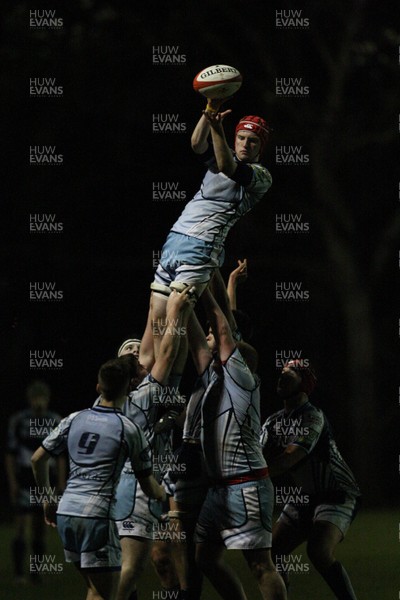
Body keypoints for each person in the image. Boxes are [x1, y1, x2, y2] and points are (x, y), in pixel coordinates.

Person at [31, 359, 166, 600]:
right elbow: (148, 485)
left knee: (95, 589)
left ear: (98, 388)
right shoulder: (129, 429)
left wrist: (47, 499)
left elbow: (38, 459)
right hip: (96, 518)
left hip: (67, 513)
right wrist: (164, 496)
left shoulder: (74, 419)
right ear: (128, 388)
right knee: (104, 594)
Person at [150, 98, 272, 358]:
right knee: (156, 321)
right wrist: (209, 111)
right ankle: (149, 380)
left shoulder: (261, 176)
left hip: (201, 246)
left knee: (177, 316)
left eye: (253, 141)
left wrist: (217, 127)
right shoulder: (222, 154)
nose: (245, 144)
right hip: (175, 240)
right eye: (241, 138)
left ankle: (164, 383)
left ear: (262, 147)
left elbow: (229, 167)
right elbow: (197, 144)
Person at [189, 286, 287, 600]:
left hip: (245, 485)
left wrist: (203, 288)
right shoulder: (215, 377)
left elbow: (221, 327)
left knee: (259, 565)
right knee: (204, 557)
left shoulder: (242, 380)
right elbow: (196, 340)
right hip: (219, 488)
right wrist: (182, 302)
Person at [114, 288, 193, 600]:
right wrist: (173, 307)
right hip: (131, 488)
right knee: (131, 563)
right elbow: (165, 351)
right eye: (128, 351)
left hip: (163, 480)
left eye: (137, 348)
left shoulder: (159, 385)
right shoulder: (127, 396)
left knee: (163, 556)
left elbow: (173, 350)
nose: (135, 352)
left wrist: (164, 307)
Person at [261, 360, 361, 599]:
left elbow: (289, 458)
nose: (282, 376)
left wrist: (249, 475)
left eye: (291, 373)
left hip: (337, 493)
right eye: (281, 372)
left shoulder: (313, 417)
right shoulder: (273, 422)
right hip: (305, 496)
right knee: (272, 551)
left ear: (305, 384)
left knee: (318, 551)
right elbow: (257, 457)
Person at [5, 380, 66, 583]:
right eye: (35, 398)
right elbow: (10, 454)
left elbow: (60, 456)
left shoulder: (55, 420)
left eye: (42, 398)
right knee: (21, 525)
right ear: (29, 400)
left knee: (41, 527)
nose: (39, 402)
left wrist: (61, 482)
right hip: (24, 477)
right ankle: (18, 573)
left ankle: (36, 573)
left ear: (47, 399)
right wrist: (12, 481)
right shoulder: (19, 420)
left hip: (45, 479)